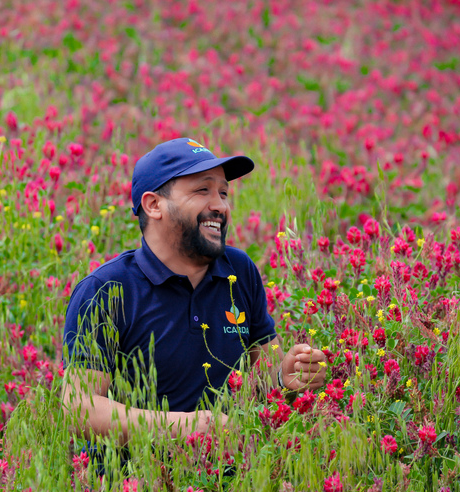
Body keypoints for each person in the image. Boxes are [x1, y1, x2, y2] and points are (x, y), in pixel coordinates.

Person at [62, 138, 327, 443]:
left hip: (232, 478)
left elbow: (265, 369)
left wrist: (286, 375)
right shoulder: (107, 290)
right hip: (138, 483)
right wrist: (180, 428)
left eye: (223, 193)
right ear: (153, 205)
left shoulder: (239, 271)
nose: (220, 205)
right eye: (202, 190)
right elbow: (79, 407)